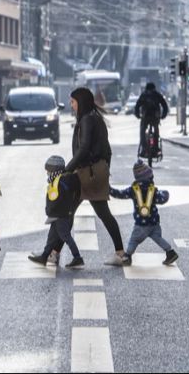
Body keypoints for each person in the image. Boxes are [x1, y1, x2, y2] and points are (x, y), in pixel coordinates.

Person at [54, 87, 125, 266]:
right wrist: (105, 168)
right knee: (70, 212)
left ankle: (54, 253)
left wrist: (67, 169)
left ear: (81, 102)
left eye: (73, 102)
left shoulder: (87, 119)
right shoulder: (94, 118)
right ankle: (54, 253)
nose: (71, 105)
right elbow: (106, 149)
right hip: (91, 172)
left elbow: (84, 149)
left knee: (71, 212)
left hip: (87, 174)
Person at [109, 161, 178, 266]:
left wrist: (109, 189)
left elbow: (120, 194)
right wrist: (165, 193)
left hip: (141, 224)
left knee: (134, 240)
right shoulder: (153, 190)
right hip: (154, 223)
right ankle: (170, 252)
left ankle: (128, 256)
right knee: (158, 238)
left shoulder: (133, 190)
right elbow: (162, 199)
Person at [29, 155, 84, 269]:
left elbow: (60, 199)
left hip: (60, 215)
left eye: (48, 171)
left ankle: (77, 258)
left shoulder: (61, 182)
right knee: (51, 237)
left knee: (66, 237)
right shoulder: (59, 180)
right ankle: (44, 257)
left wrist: (53, 211)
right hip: (56, 215)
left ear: (54, 170)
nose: (47, 173)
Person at [134, 82, 168, 158]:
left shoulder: (144, 95)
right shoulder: (157, 94)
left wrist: (137, 115)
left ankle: (144, 148)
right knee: (156, 131)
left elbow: (137, 105)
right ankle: (156, 148)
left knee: (142, 131)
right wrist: (163, 115)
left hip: (145, 117)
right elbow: (164, 105)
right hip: (155, 117)